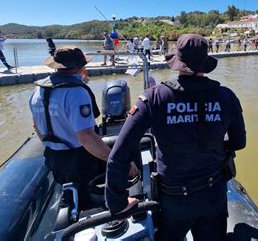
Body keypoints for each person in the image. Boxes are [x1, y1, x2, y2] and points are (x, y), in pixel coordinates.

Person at [105, 34, 246, 241]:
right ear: (204, 63)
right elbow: (239, 143)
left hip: (175, 200)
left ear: (177, 63)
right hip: (213, 194)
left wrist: (117, 205)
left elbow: (119, 155)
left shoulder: (153, 98)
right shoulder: (227, 96)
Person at [29, 46, 136, 209]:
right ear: (80, 67)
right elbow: (86, 137)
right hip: (77, 158)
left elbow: (36, 126)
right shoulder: (76, 93)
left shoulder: (38, 91)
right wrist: (120, 163)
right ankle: (118, 205)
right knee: (85, 196)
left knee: (74, 190)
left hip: (52, 156)